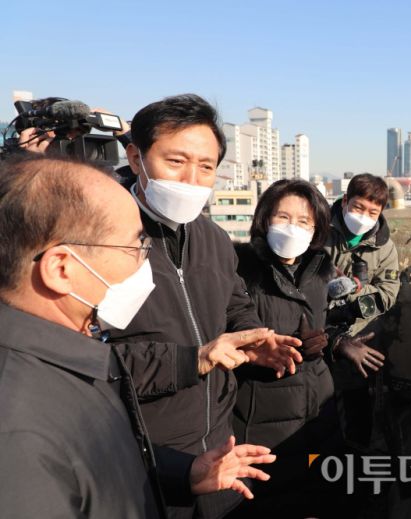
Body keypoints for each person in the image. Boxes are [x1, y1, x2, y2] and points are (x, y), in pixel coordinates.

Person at [0, 155, 276, 517]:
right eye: (135, 247)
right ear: (61, 268)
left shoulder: (70, 357)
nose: (145, 262)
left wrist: (186, 472)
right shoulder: (16, 430)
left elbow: (101, 466)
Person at [110, 94, 303, 519]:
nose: (191, 180)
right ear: (136, 157)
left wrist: (254, 338)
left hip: (220, 453)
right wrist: (192, 359)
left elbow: (234, 303)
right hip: (141, 462)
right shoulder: (103, 239)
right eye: (175, 161)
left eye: (206, 166)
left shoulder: (212, 238)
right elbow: (91, 359)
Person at [231, 179, 343, 518]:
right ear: (265, 220)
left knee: (316, 495)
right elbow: (229, 327)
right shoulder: (240, 267)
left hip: (317, 407)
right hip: (263, 412)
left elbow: (319, 322)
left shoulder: (319, 271)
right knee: (268, 499)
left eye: (304, 221)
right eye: (282, 217)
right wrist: (259, 350)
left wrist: (324, 341)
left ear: (317, 228)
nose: (292, 228)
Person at [324, 174, 400, 448]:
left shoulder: (384, 247)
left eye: (372, 212)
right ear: (345, 201)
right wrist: (326, 283)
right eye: (358, 208)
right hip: (316, 333)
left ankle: (355, 462)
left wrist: (357, 292)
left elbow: (389, 292)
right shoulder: (320, 230)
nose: (363, 216)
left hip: (358, 337)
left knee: (357, 409)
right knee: (316, 408)